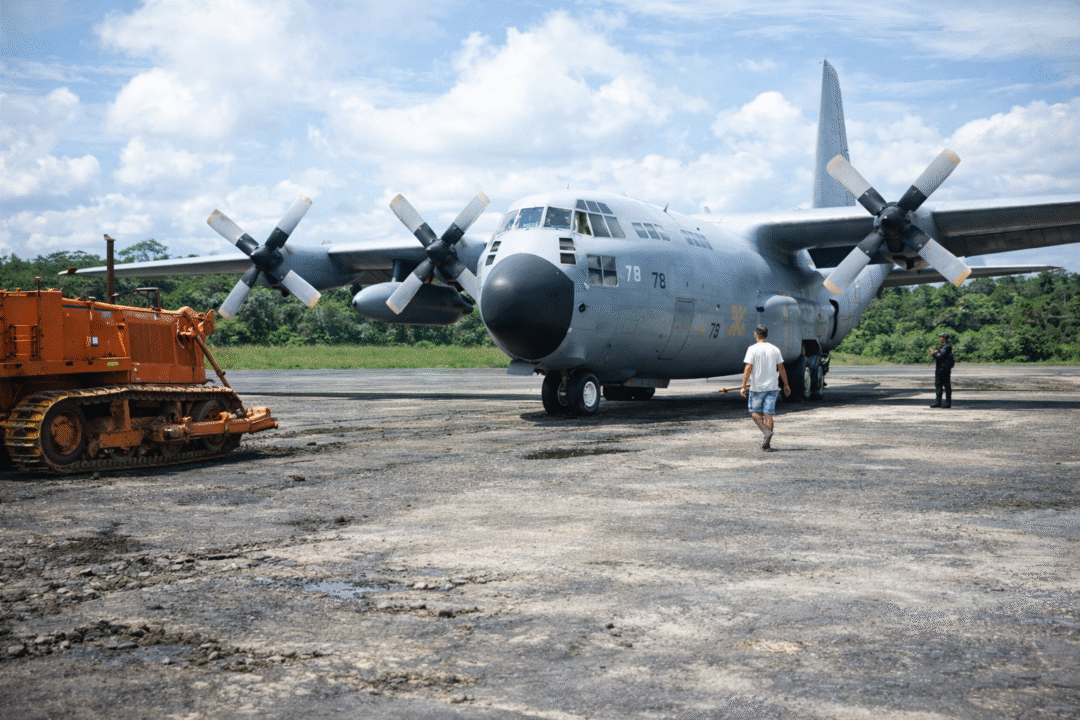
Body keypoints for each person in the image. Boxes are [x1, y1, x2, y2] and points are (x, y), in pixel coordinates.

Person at [740, 325, 791, 450]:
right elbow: (781, 368)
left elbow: (748, 367)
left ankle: (766, 433)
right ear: (767, 335)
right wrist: (786, 384)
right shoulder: (775, 349)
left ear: (756, 335)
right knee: (768, 414)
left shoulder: (752, 349)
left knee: (754, 412)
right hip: (772, 388)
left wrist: (743, 386)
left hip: (757, 388)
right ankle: (767, 440)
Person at [929, 332, 954, 408]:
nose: (940, 338)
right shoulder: (944, 346)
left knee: (946, 385)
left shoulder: (947, 346)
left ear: (944, 338)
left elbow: (940, 356)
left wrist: (933, 354)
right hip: (941, 368)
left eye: (941, 337)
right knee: (938, 385)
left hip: (943, 368)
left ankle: (947, 403)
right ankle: (938, 402)